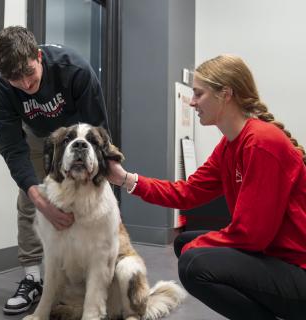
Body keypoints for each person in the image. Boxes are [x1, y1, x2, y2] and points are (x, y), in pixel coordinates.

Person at [108, 54, 306, 320]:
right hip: (275, 257)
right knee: (185, 244)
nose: (192, 102)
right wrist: (124, 178)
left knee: (194, 263)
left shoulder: (261, 142)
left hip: (297, 269)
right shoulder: (229, 146)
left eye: (199, 94)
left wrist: (199, 248)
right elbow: (187, 193)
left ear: (226, 94)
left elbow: (252, 235)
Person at [0, 26, 109, 315]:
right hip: (36, 136)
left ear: (38, 56)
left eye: (29, 73)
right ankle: (32, 277)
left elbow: (99, 130)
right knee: (29, 201)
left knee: (91, 198)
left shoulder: (75, 69)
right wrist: (40, 200)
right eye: (15, 79)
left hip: (78, 134)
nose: (25, 84)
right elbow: (12, 149)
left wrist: (102, 173)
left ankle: (88, 271)